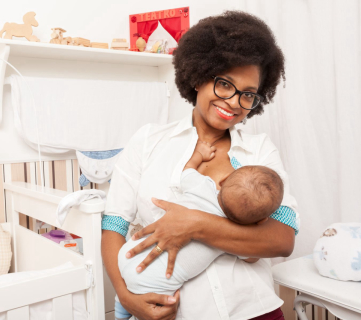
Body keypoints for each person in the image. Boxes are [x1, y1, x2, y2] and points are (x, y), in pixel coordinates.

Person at [102, 10, 299, 320]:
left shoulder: (260, 151)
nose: (234, 102)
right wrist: (126, 296)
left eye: (248, 94)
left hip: (255, 311)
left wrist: (195, 224)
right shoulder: (148, 141)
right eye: (224, 84)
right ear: (198, 76)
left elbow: (282, 239)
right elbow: (113, 225)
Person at [114, 140, 284, 320]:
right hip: (155, 283)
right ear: (261, 220)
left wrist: (199, 155)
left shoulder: (202, 186)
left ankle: (120, 310)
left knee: (133, 281)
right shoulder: (232, 236)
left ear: (224, 179)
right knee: (159, 297)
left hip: (128, 254)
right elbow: (252, 256)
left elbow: (187, 171)